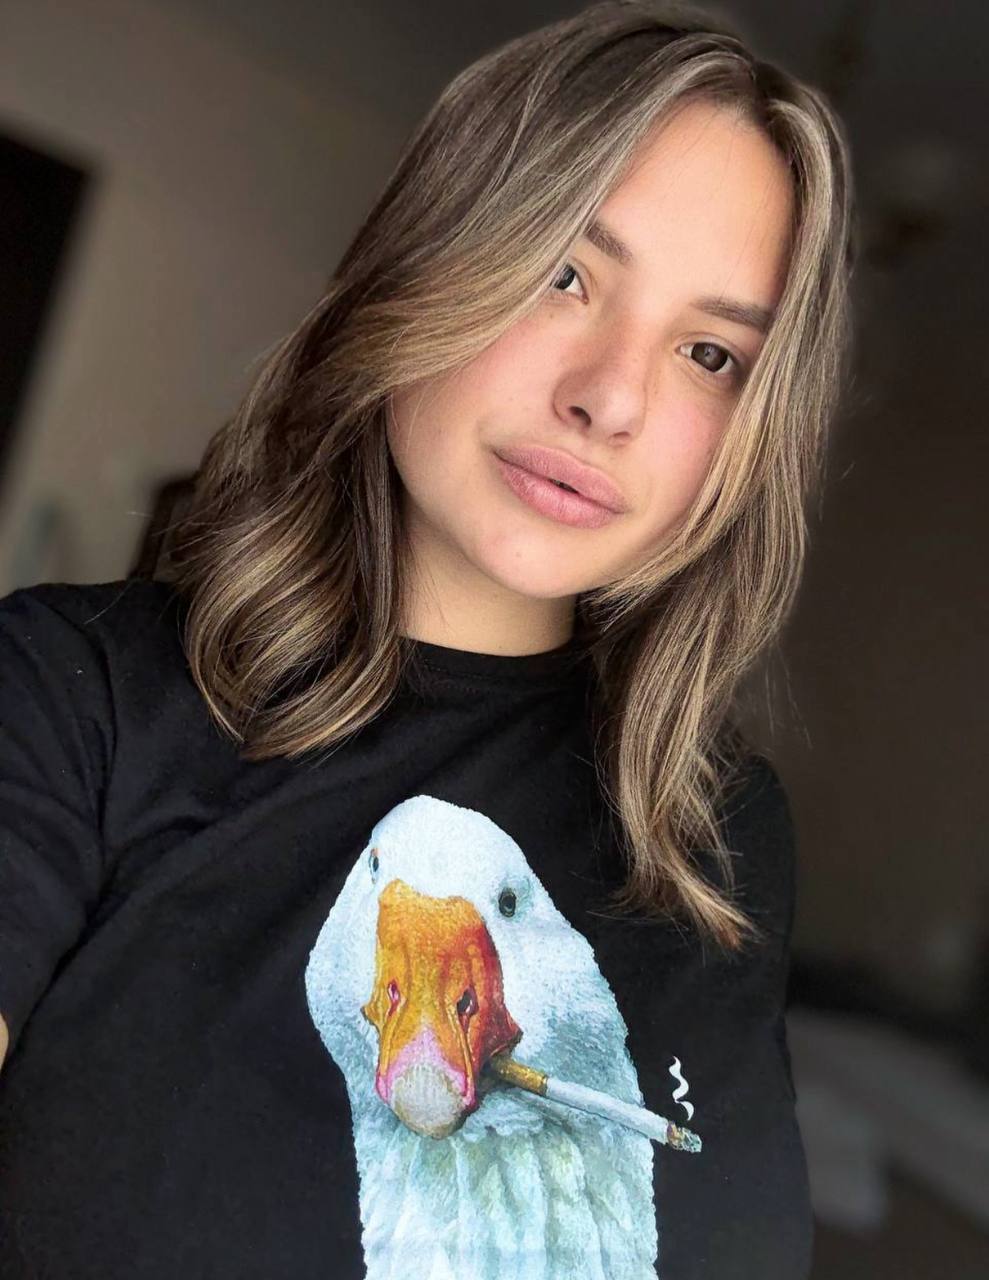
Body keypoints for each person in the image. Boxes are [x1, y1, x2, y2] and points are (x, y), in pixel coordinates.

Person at [0, 2, 854, 1276]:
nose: (610, 397)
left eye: (707, 351)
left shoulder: (718, 835)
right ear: (432, 255)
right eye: (563, 272)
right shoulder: (72, 698)